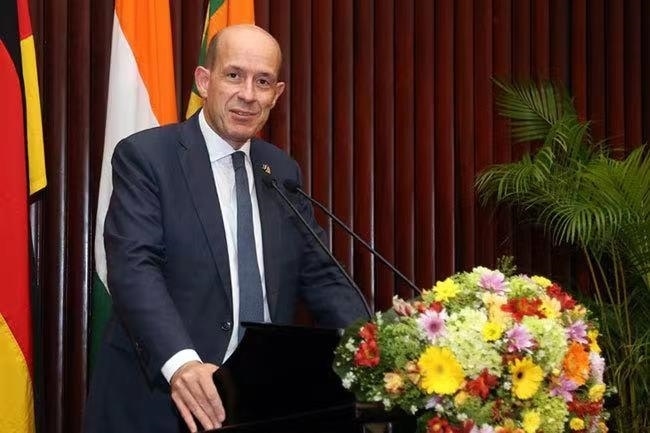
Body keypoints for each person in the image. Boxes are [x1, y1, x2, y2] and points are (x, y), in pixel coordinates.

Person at [84, 24, 367, 433]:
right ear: (204, 81)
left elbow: (322, 275)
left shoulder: (280, 170)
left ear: (277, 94)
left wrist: (374, 347)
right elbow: (134, 267)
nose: (248, 94)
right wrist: (182, 363)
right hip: (160, 402)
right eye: (234, 75)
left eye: (263, 81)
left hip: (258, 404)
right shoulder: (147, 157)